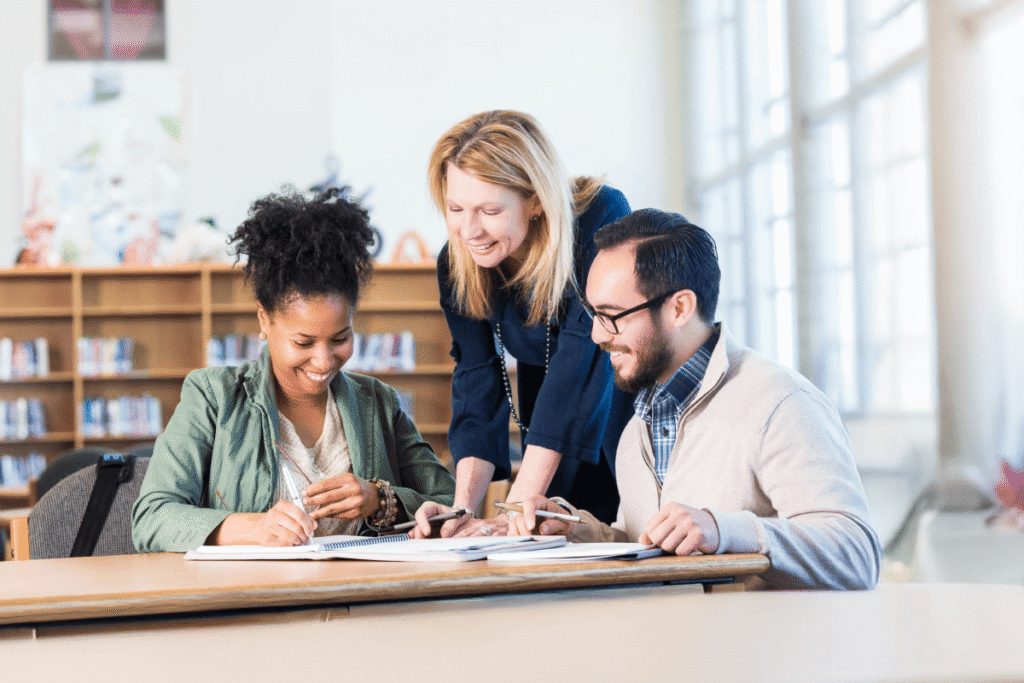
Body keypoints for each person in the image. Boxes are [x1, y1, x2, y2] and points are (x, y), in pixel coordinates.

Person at [507, 208, 881, 590]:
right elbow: (650, 548)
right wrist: (575, 531)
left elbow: (857, 555)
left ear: (680, 308)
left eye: (611, 316)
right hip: (673, 644)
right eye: (593, 315)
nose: (598, 336)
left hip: (761, 649)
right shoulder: (637, 427)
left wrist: (723, 530)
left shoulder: (781, 403)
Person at [132, 188, 455, 552]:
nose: (323, 361)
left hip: (366, 599)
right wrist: (254, 528)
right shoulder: (213, 397)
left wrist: (381, 500)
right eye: (303, 342)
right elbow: (152, 517)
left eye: (340, 338)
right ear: (264, 320)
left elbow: (451, 503)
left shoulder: (377, 403)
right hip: (255, 603)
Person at [413, 110, 633, 536]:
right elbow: (477, 383)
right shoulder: (457, 261)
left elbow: (580, 361)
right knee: (543, 538)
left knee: (620, 538)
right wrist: (461, 511)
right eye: (455, 208)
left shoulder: (600, 216)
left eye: (490, 210)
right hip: (547, 416)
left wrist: (515, 509)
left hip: (622, 402)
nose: (468, 230)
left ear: (535, 200)